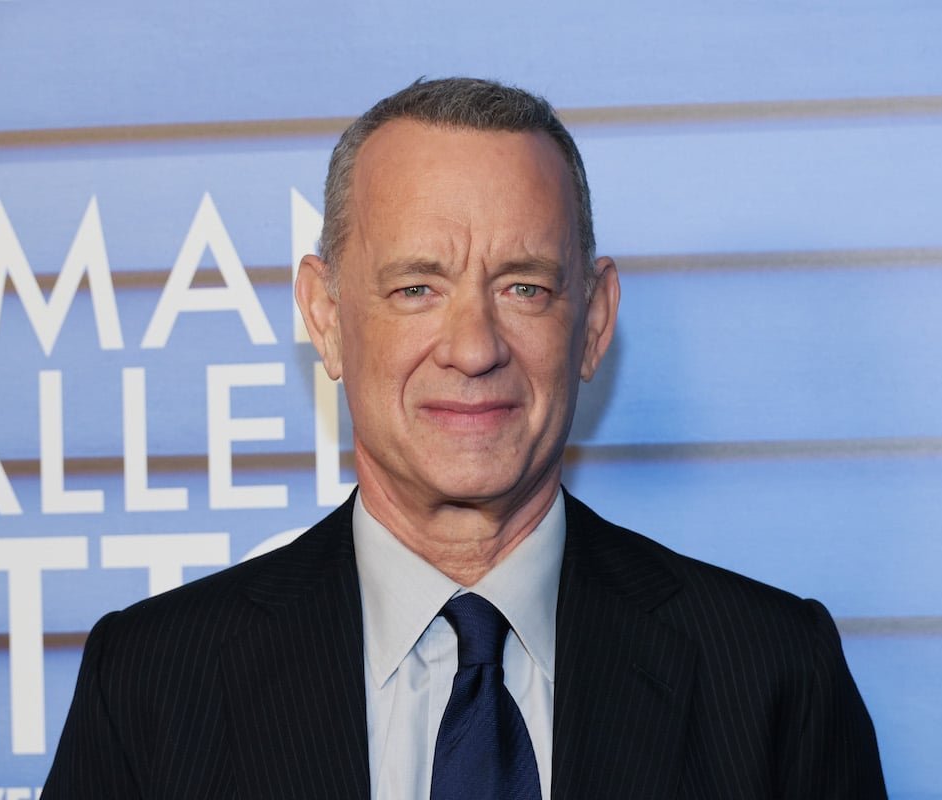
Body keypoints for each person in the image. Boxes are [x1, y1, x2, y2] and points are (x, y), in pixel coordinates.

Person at [43, 77, 887, 799]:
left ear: (592, 322)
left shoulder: (774, 678)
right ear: (326, 317)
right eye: (416, 288)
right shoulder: (152, 685)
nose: (474, 347)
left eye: (523, 287)